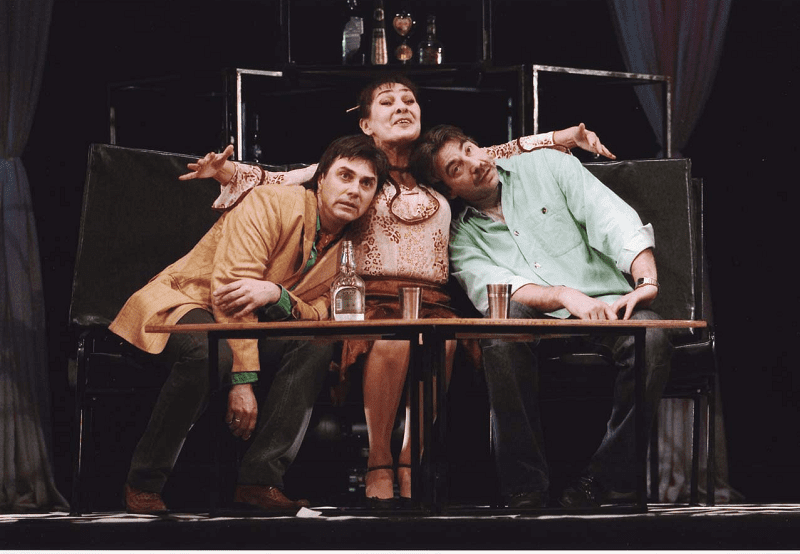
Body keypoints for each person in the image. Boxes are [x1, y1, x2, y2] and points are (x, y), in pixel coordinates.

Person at [180, 74, 615, 506]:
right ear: (366, 123)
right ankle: (380, 462)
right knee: (394, 342)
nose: (402, 107)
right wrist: (226, 171)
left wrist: (561, 137)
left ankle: (411, 462)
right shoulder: (359, 171)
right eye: (387, 102)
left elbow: (496, 153)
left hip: (434, 299)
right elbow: (281, 179)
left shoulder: (436, 169)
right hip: (372, 298)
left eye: (409, 99)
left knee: (442, 344)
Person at [109, 134, 388, 514]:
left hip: (253, 324)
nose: (354, 190)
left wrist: (277, 295)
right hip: (187, 299)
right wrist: (242, 382)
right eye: (345, 176)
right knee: (210, 353)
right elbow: (230, 291)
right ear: (321, 178)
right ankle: (143, 482)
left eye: (367, 183)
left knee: (316, 344)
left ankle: (260, 481)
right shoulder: (271, 202)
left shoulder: (353, 246)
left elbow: (322, 314)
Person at [409, 124, 672, 509]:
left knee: (653, 338)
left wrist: (645, 280)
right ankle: (525, 488)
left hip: (607, 306)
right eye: (455, 168)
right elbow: (497, 287)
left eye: (469, 149)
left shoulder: (547, 166)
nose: (474, 163)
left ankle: (603, 480)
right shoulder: (460, 236)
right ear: (448, 189)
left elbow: (611, 219)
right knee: (501, 321)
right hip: (536, 322)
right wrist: (564, 295)